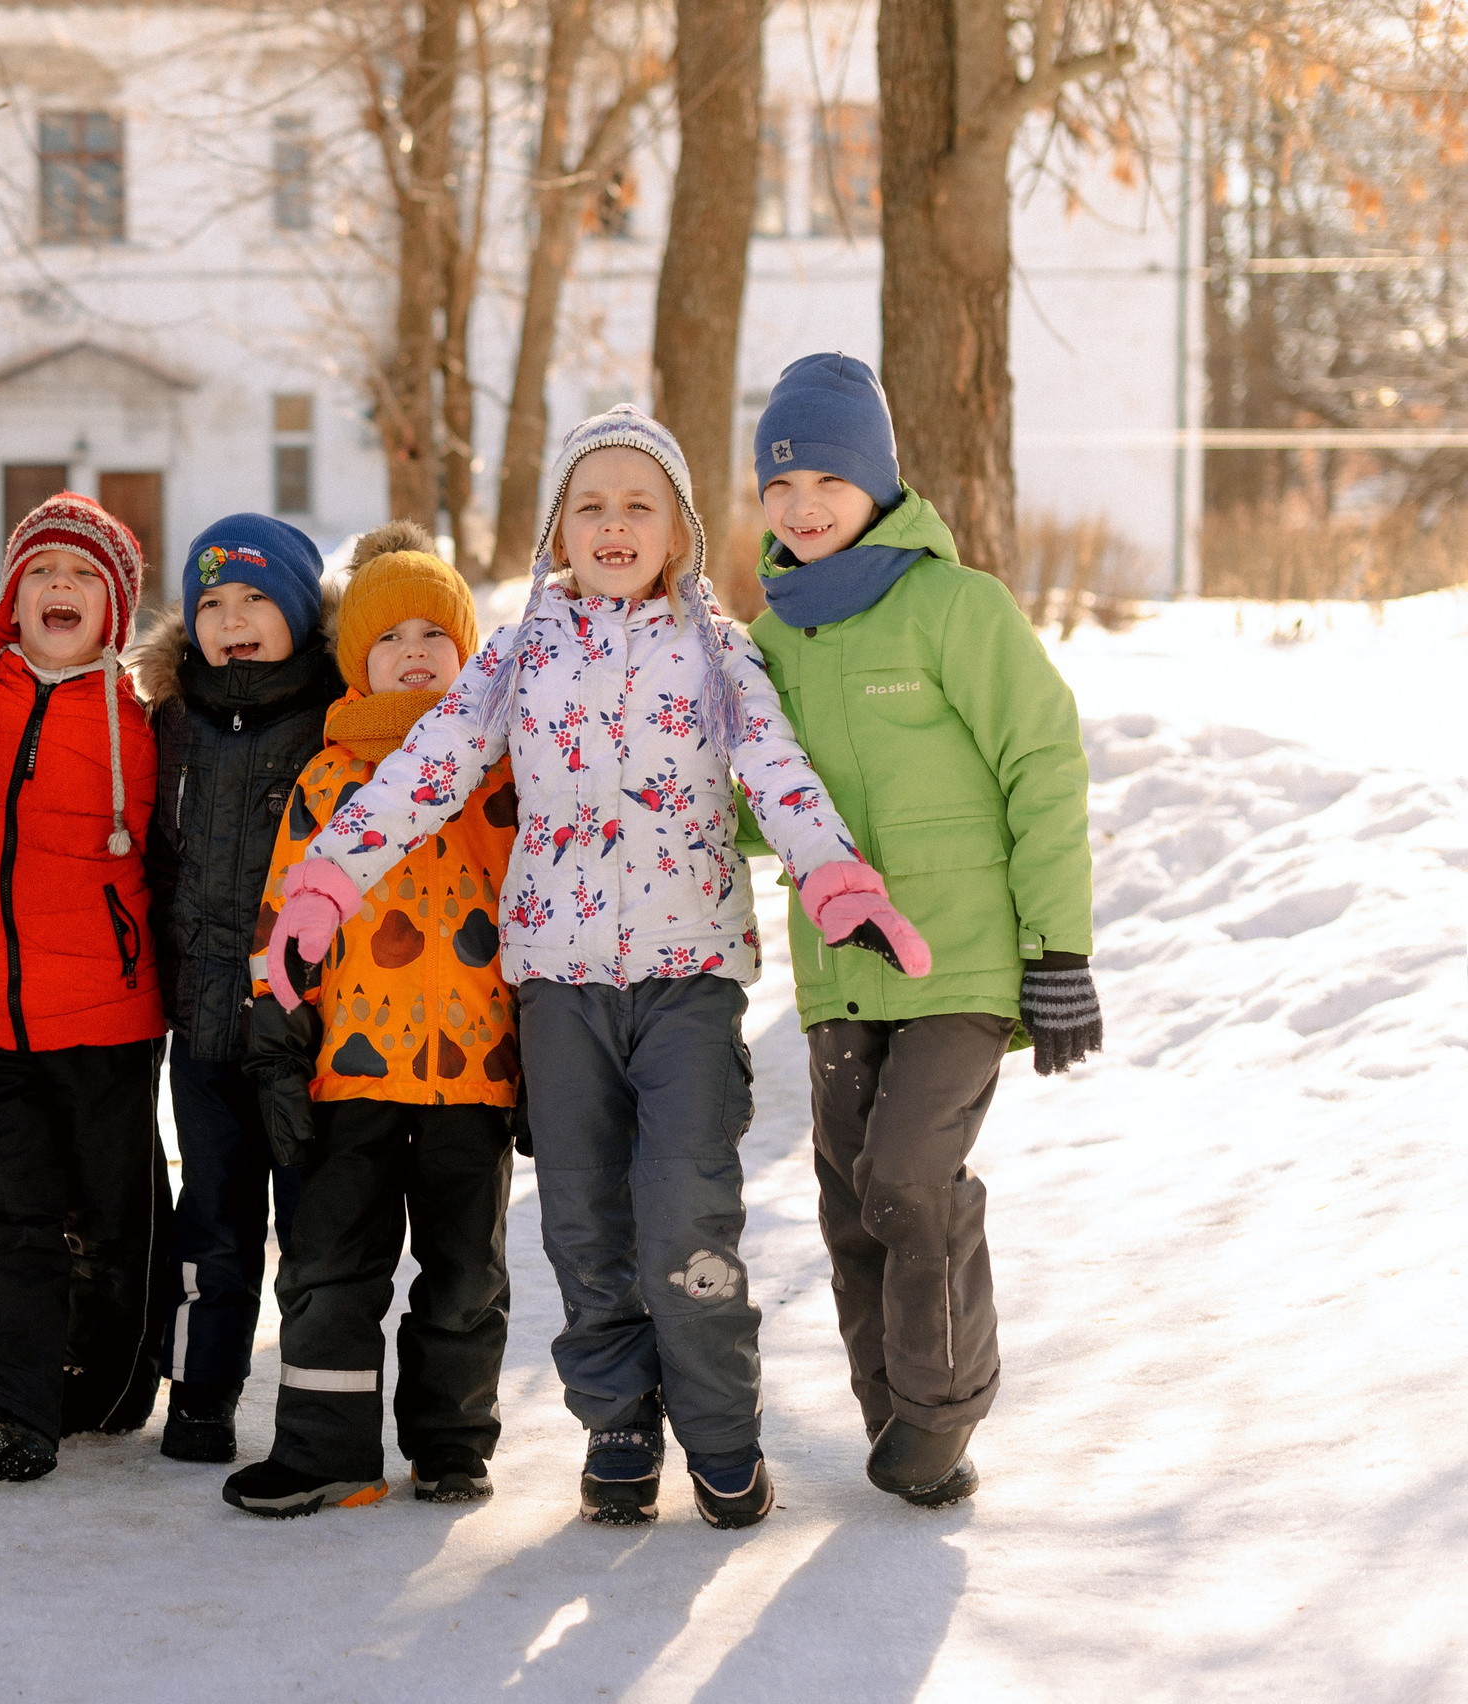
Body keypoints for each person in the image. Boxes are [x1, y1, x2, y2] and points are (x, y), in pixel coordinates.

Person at [264, 406, 929, 1529]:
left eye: (639, 505)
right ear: (556, 530)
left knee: (686, 1218)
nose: (613, 525)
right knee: (581, 1223)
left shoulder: (718, 646)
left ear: (678, 530)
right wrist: (325, 883)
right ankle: (616, 1425)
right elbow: (424, 770)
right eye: (590, 506)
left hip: (687, 974)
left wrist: (836, 878)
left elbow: (775, 770)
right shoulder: (517, 652)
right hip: (559, 987)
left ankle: (719, 1431)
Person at [743, 353, 1099, 1509]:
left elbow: (1040, 763)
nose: (802, 506)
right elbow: (763, 809)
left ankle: (945, 1410)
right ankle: (893, 1412)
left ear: (880, 486)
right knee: (850, 1195)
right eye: (780, 486)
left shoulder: (957, 606)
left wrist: (1058, 949)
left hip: (961, 961)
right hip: (843, 973)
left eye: (827, 482)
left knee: (906, 1178)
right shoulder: (768, 640)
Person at [222, 521, 521, 1517]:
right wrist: (276, 1043)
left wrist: (545, 1061)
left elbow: (536, 910)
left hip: (471, 1075)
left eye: (434, 636)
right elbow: (282, 923)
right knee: (327, 1266)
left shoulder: (499, 773)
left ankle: (449, 1445)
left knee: (462, 1274)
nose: (412, 654)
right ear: (356, 659)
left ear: (467, 652)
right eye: (388, 639)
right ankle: (325, 1449)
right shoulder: (326, 776)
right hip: (345, 1072)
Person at [0, 492, 171, 1483]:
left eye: (83, 578)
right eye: (41, 575)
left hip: (110, 1020)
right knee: (4, 1209)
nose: (59, 588)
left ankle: (109, 1383)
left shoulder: (143, 727)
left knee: (113, 1213)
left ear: (115, 609)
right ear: (10, 601)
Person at [133, 513, 342, 1463]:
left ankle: (321, 1403)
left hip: (312, 1033)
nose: (233, 620)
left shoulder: (337, 714)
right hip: (206, 1030)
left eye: (257, 597)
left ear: (301, 609)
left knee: (318, 1227)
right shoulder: (171, 720)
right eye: (212, 603)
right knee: (210, 1224)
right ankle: (201, 1395)